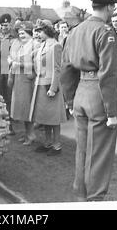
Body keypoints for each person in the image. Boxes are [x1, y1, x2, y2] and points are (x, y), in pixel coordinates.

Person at [61, 0, 117, 201]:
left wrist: (69, 99)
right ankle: (95, 198)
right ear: (110, 7)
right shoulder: (106, 31)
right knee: (99, 152)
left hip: (80, 93)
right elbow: (108, 74)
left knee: (82, 148)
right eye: (114, 8)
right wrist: (111, 110)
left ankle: (81, 192)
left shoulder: (76, 31)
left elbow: (66, 68)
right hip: (98, 93)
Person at [29, 19, 66, 155]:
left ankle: (57, 145)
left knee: (54, 118)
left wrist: (53, 88)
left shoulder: (55, 46)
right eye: (37, 31)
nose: (38, 34)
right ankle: (48, 143)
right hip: (40, 84)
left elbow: (57, 69)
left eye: (40, 31)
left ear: (47, 31)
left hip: (50, 86)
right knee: (45, 117)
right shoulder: (43, 45)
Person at [8, 21, 36, 145]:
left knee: (27, 107)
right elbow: (12, 56)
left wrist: (19, 64)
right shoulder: (21, 45)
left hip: (27, 79)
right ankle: (27, 133)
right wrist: (10, 60)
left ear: (29, 32)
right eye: (20, 33)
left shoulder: (35, 45)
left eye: (23, 33)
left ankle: (31, 135)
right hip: (18, 78)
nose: (21, 35)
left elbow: (36, 64)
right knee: (21, 108)